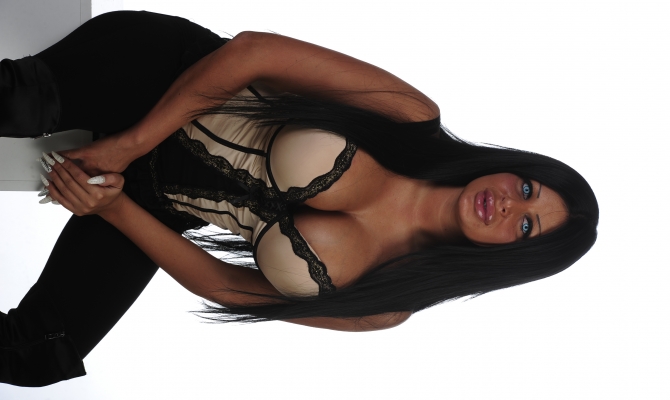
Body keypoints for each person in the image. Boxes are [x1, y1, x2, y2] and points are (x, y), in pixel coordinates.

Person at [0, 11, 599, 387]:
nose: (510, 206)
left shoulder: (383, 304)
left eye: (526, 226)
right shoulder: (411, 118)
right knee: (15, 105)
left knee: (39, 356)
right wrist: (131, 144)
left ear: (510, 258)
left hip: (150, 200)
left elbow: (226, 287)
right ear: (515, 167)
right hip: (163, 80)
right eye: (528, 189)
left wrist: (113, 207)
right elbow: (253, 52)